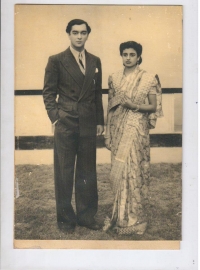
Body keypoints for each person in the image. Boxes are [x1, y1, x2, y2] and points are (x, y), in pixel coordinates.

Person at [43, 19, 104, 233]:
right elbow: (49, 93)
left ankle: (87, 216)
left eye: (83, 32)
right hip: (66, 123)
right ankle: (66, 220)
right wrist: (56, 117)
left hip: (88, 123)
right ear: (68, 34)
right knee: (64, 171)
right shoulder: (56, 60)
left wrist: (99, 121)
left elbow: (97, 94)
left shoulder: (95, 61)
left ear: (88, 35)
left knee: (87, 171)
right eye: (75, 32)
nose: (79, 36)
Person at [103, 41, 163, 235]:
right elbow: (111, 107)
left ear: (138, 57)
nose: (128, 58)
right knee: (120, 172)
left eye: (132, 54)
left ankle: (135, 219)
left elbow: (153, 106)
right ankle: (118, 216)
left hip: (136, 130)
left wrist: (134, 106)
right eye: (125, 54)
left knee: (134, 170)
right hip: (119, 129)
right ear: (121, 56)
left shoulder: (148, 79)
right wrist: (108, 132)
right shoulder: (114, 78)